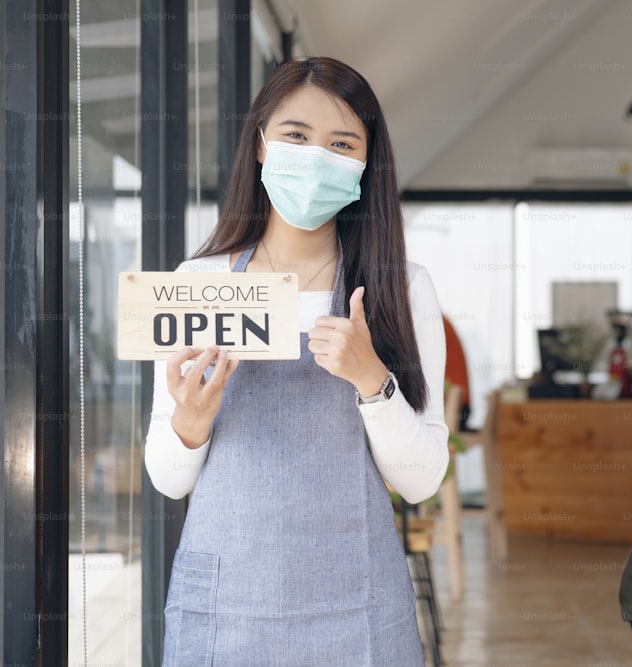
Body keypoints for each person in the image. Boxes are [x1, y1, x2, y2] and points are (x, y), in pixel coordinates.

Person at [144, 56, 449, 666]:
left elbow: (421, 480)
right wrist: (191, 422)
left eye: (342, 143)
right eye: (295, 136)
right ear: (260, 145)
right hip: (225, 608)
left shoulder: (401, 289)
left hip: (356, 606)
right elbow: (168, 479)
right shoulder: (198, 282)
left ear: (366, 164)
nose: (316, 158)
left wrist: (372, 382)